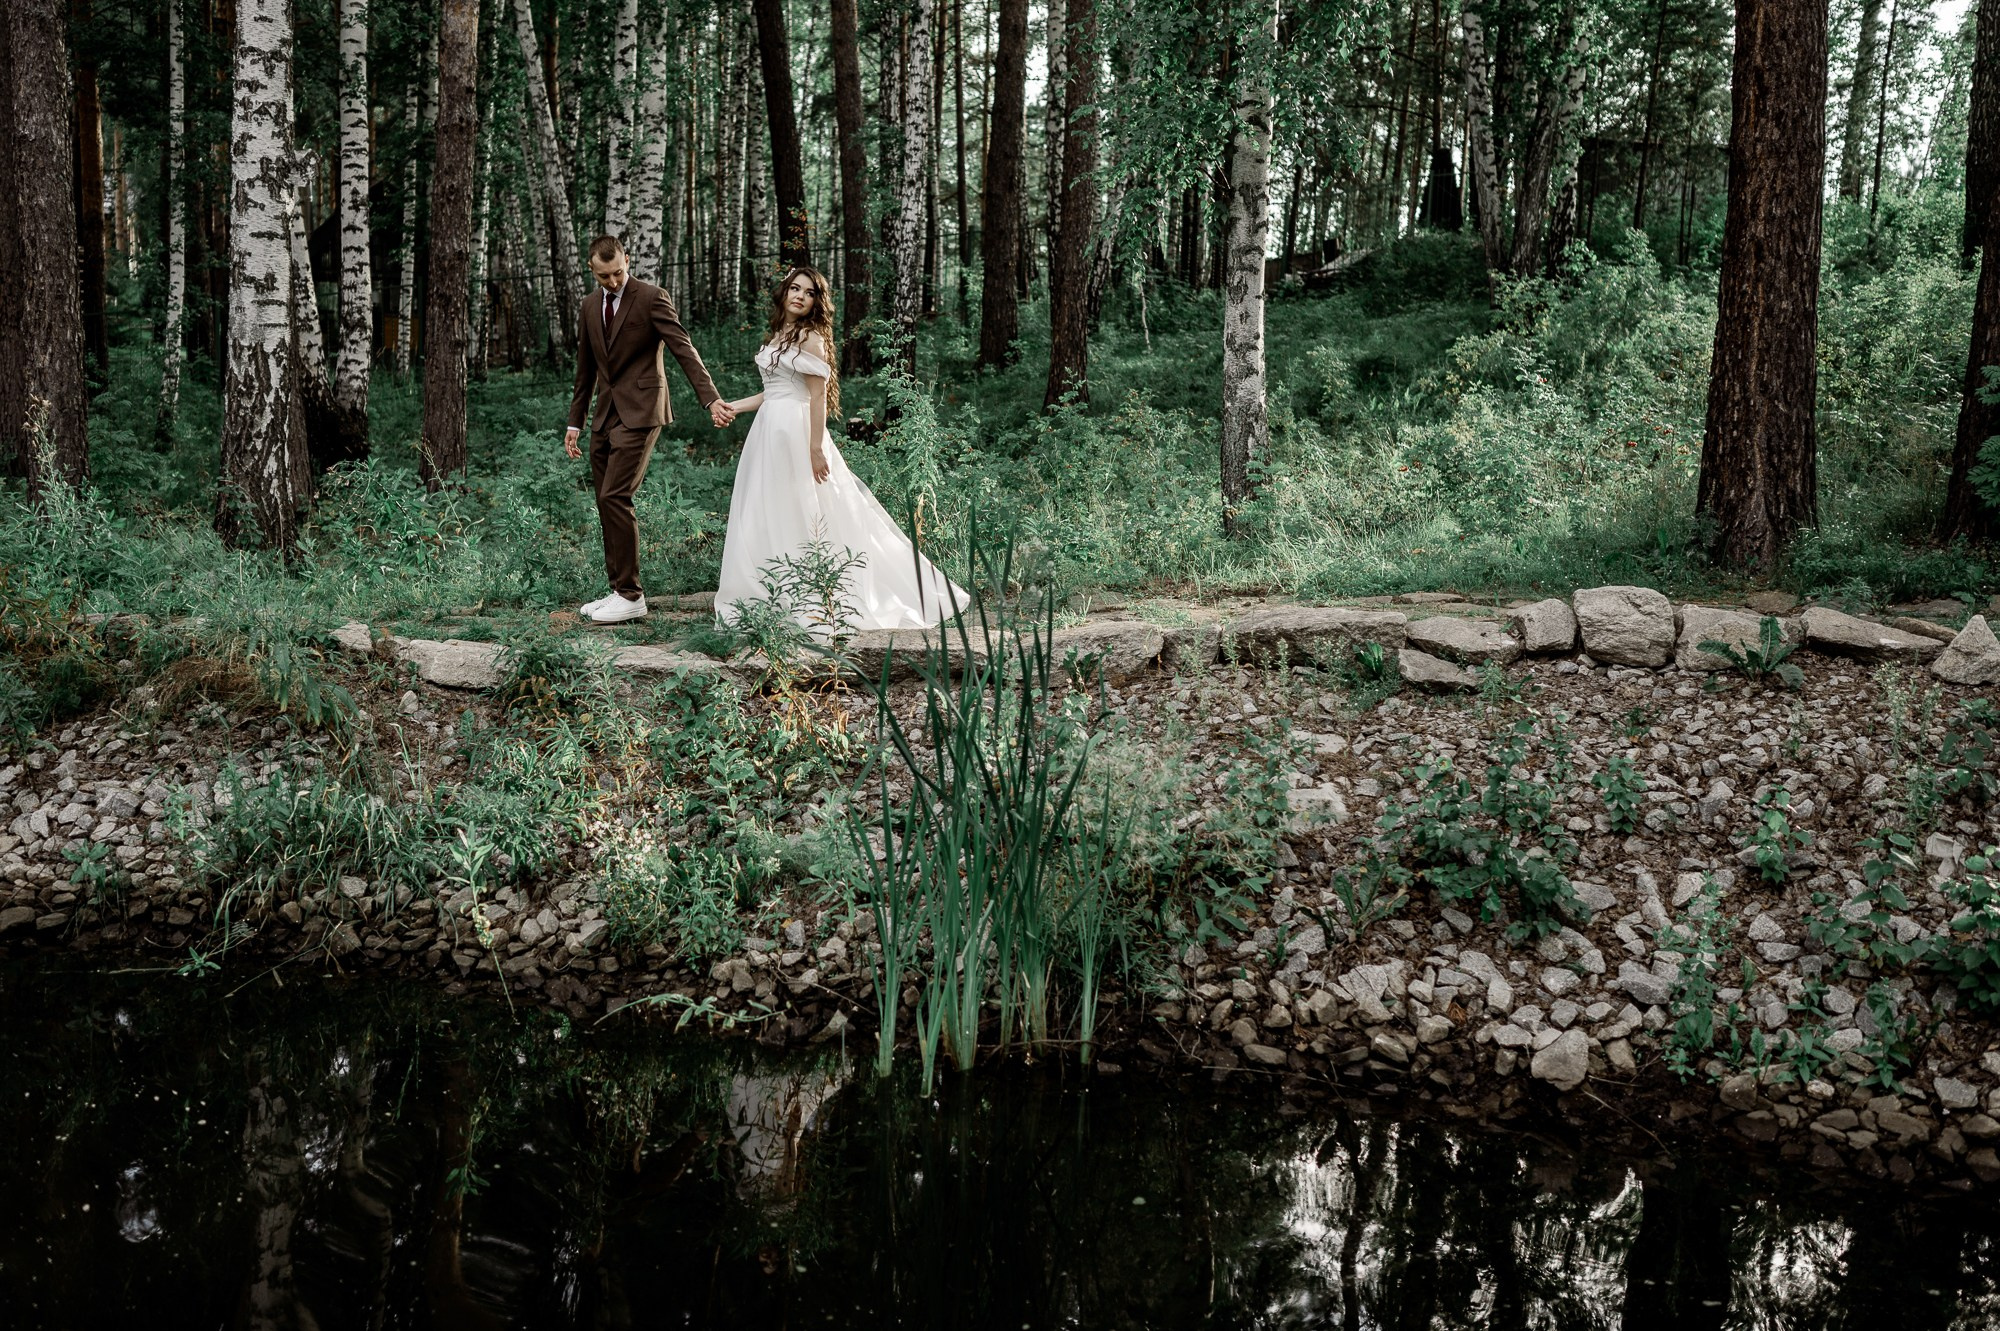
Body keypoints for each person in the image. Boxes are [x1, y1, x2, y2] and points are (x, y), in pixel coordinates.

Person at [713, 267, 967, 633]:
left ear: (817, 301)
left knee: (806, 507)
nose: (800, 296)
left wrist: (816, 448)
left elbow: (816, 397)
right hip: (768, 430)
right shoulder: (780, 334)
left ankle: (816, 594)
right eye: (795, 288)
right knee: (767, 506)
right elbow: (773, 391)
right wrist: (733, 406)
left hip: (797, 433)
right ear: (784, 292)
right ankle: (769, 590)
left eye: (810, 292)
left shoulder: (811, 339)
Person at [564, 235, 734, 624]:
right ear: (592, 270)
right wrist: (575, 421)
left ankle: (631, 594)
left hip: (643, 410)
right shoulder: (590, 306)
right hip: (604, 415)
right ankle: (617, 591)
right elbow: (585, 369)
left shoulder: (652, 296)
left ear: (628, 259)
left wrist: (711, 399)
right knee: (605, 501)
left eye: (618, 272)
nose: (613, 282)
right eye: (604, 276)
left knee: (616, 494)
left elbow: (683, 349)